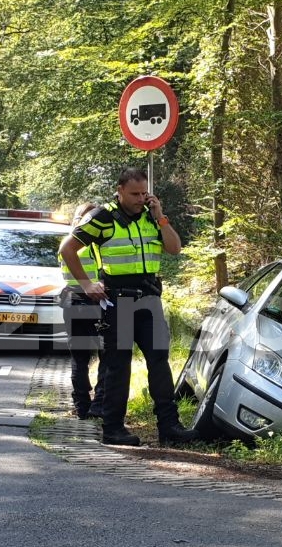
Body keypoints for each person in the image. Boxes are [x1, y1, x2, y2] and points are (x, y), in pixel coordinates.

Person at [57, 168, 196, 447]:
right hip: (118, 299)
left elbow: (174, 248)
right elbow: (67, 249)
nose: (140, 198)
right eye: (134, 194)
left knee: (159, 362)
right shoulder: (103, 217)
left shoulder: (151, 216)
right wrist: (86, 285)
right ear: (119, 190)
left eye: (144, 193)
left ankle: (169, 427)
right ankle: (113, 429)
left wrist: (161, 217)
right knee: (118, 367)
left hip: (150, 298)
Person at [60, 202, 107, 420]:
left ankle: (81, 406)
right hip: (95, 302)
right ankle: (98, 405)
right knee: (107, 356)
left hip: (72, 301)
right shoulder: (93, 245)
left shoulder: (66, 242)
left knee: (79, 359)